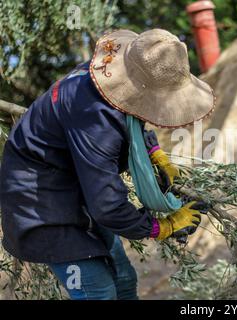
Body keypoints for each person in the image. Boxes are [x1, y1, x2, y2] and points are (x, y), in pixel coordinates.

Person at [0, 29, 215, 300]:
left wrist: (154, 153)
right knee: (98, 290)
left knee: (124, 279)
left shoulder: (107, 75)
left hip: (76, 190)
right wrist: (163, 227)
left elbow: (133, 118)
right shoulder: (95, 121)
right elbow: (108, 207)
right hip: (40, 205)